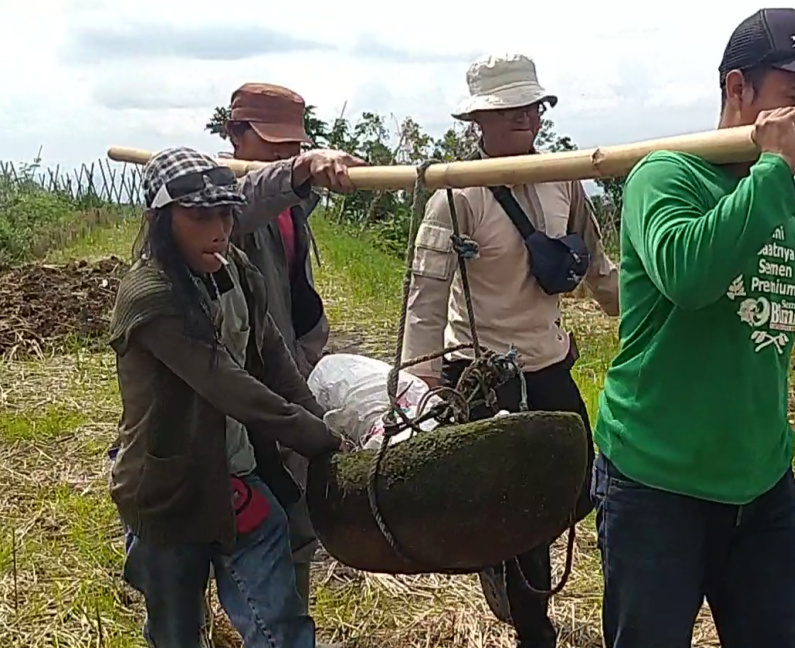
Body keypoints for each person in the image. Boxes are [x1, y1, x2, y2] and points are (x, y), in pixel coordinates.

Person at [590, 9, 795, 647]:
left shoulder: (772, 186)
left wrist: (770, 176)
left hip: (761, 478)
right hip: (657, 482)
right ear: (737, 89)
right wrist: (773, 172)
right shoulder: (665, 176)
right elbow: (689, 278)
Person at [401, 53, 619, 648]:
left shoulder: (564, 177)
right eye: (509, 108)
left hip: (548, 365)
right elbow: (425, 298)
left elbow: (598, 267)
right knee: (519, 514)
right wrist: (419, 393)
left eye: (532, 106)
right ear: (480, 121)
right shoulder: (454, 196)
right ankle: (532, 626)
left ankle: (500, 562)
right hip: (480, 372)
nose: (526, 117)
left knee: (583, 488)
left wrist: (647, 313)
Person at [108, 146, 348, 647]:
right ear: (160, 219)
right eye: (198, 216)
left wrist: (321, 422)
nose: (217, 229)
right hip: (170, 493)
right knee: (177, 634)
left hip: (239, 482)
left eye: (224, 213)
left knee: (281, 627)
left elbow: (274, 358)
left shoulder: (234, 268)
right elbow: (226, 385)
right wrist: (313, 436)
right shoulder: (150, 296)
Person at [220, 82, 365, 623]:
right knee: (241, 515)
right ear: (234, 135)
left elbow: (294, 288)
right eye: (271, 142)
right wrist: (299, 170)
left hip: (287, 368)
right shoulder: (217, 194)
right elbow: (245, 204)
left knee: (295, 512)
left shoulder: (290, 205)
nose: (284, 153)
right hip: (235, 385)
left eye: (291, 144)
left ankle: (286, 621)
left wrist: (307, 354)